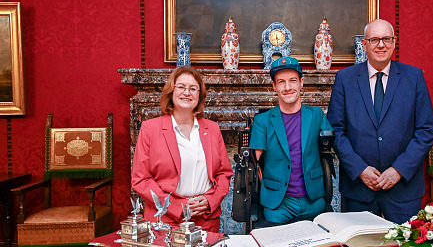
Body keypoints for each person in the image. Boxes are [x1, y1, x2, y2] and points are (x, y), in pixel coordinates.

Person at [327, 19, 433, 224]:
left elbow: (426, 131)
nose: (381, 45)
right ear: (365, 44)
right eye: (375, 39)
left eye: (386, 39)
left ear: (394, 43)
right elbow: (336, 130)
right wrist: (359, 169)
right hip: (359, 189)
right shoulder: (345, 78)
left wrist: (399, 170)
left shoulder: (413, 77)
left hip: (403, 188)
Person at [132, 66, 233, 233]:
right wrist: (178, 206)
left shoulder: (212, 129)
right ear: (171, 92)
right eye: (181, 87)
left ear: (199, 96)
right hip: (166, 220)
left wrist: (210, 200)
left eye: (193, 89)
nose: (187, 92)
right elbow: (141, 180)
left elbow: (224, 173)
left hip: (205, 218)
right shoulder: (150, 128)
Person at [249, 56, 333, 224]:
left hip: (314, 200)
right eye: (281, 82)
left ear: (301, 82)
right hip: (278, 205)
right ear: (274, 86)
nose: (287, 87)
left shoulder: (316, 115)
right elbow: (253, 164)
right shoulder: (262, 121)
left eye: (292, 80)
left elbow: (330, 149)